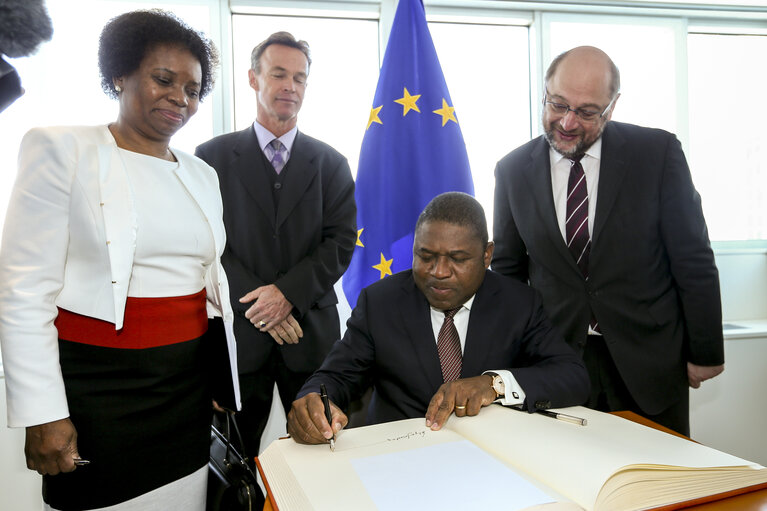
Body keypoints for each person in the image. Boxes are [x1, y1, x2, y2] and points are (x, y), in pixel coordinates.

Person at [0, 10, 239, 510]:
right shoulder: (61, 149)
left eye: (193, 89)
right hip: (100, 394)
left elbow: (209, 285)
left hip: (184, 395)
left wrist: (219, 377)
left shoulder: (202, 175)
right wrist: (42, 413)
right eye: (163, 79)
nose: (181, 98)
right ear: (120, 75)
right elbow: (23, 293)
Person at [492, 46, 723, 436]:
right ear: (545, 92)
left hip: (648, 359)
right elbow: (509, 273)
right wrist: (510, 359)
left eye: (585, 112)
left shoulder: (657, 154)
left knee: (660, 486)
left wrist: (706, 351)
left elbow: (693, 258)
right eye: (558, 104)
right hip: (556, 362)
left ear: (611, 108)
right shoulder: (513, 170)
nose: (566, 122)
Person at [287, 192, 589, 444]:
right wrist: (314, 401)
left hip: (492, 456)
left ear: (487, 255)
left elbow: (572, 376)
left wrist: (494, 384)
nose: (439, 272)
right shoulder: (380, 302)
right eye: (426, 256)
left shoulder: (519, 302)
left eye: (458, 259)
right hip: (401, 458)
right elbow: (337, 376)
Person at [195, 32, 357, 455]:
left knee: (326, 454)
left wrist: (287, 295)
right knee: (231, 465)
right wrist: (263, 306)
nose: (290, 86)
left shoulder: (331, 163)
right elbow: (207, 244)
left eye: (300, 78)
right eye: (279, 74)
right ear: (253, 79)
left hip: (309, 338)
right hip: (236, 342)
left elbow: (340, 242)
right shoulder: (209, 158)